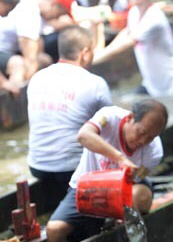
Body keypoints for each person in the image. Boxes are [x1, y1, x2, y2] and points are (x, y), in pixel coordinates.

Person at [45, 99, 167, 242]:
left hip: (123, 190)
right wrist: (120, 158)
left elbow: (135, 182)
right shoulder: (109, 116)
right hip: (87, 187)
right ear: (130, 118)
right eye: (140, 133)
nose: (143, 141)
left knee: (139, 196)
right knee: (54, 230)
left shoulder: (154, 151)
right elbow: (83, 135)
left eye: (150, 137)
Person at [27, 26, 111, 206]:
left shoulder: (37, 78)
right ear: (85, 53)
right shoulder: (94, 83)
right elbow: (110, 130)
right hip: (72, 169)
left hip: (38, 166)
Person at [97, 0, 173, 96]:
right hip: (150, 84)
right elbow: (126, 33)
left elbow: (128, 43)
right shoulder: (133, 12)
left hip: (172, 83)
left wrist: (93, 60)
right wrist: (101, 52)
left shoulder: (154, 17)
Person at [0, 0, 76, 90]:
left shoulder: (40, 16)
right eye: (59, 14)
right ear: (53, 4)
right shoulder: (30, 13)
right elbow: (30, 60)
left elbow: (38, 51)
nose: (57, 18)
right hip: (3, 50)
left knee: (44, 60)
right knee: (19, 64)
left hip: (10, 51)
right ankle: (12, 100)